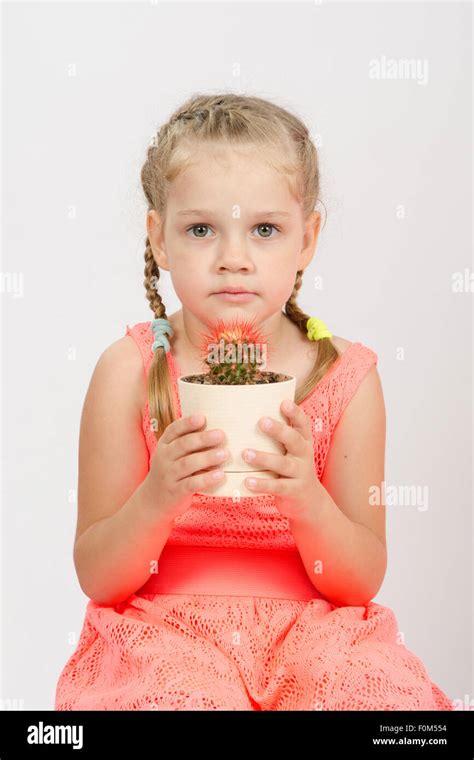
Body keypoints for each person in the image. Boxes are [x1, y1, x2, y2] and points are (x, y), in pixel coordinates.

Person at [54, 93, 453, 711]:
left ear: (307, 238)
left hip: (316, 633)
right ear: (159, 239)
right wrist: (157, 497)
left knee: (368, 701)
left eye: (265, 230)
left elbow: (360, 581)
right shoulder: (130, 373)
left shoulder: (342, 376)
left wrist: (308, 501)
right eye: (201, 229)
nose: (233, 259)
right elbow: (99, 577)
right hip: (164, 634)